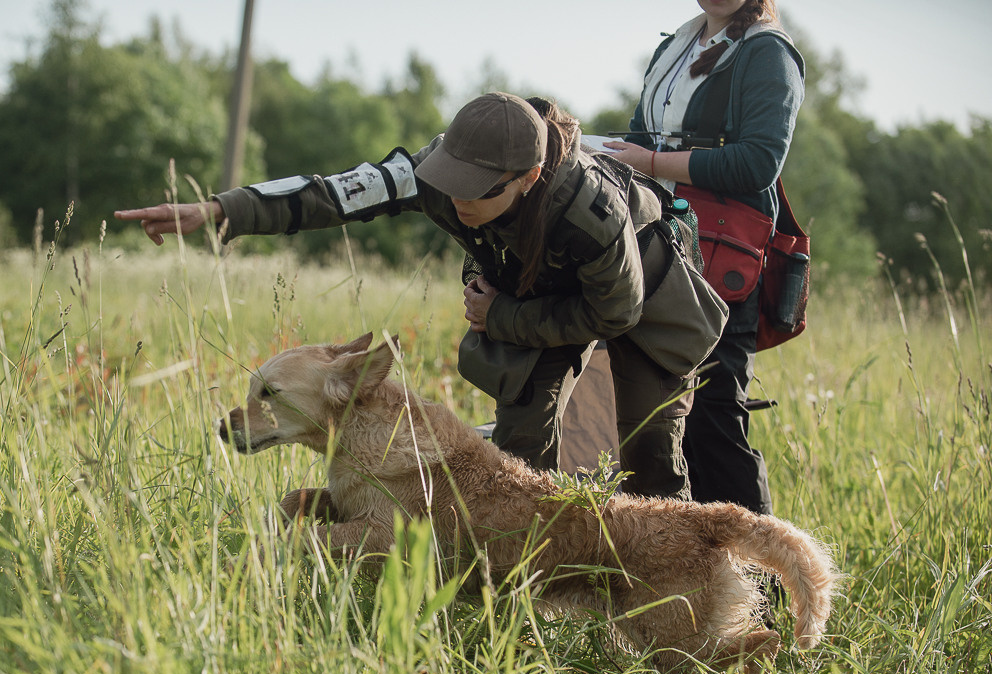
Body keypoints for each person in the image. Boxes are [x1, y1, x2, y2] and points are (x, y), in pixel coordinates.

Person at [116, 92, 726, 499]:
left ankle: (668, 597)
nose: (457, 201)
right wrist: (220, 208)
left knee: (648, 447)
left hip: (640, 296)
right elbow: (336, 193)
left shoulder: (590, 210)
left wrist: (503, 314)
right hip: (532, 292)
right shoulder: (437, 171)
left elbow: (614, 311)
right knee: (516, 454)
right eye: (450, 182)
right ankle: (523, 598)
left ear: (529, 178)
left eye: (477, 191)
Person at [602, 0, 804, 515]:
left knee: (714, 419)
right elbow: (639, 134)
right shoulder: (673, 46)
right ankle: (690, 576)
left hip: (724, 256)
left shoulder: (768, 51)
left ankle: (763, 588)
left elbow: (757, 162)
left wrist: (648, 161)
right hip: (658, 245)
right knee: (662, 415)